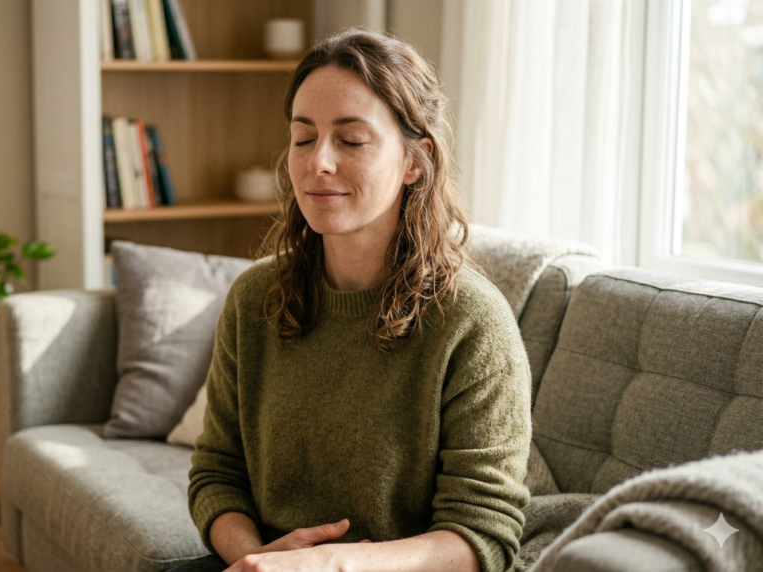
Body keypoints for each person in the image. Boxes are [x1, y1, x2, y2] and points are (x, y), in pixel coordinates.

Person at [174, 29, 531, 572]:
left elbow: (483, 536)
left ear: (415, 161)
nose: (318, 162)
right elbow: (217, 474)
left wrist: (329, 566)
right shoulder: (254, 299)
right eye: (303, 137)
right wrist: (256, 558)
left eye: (351, 140)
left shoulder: (473, 322)